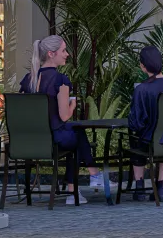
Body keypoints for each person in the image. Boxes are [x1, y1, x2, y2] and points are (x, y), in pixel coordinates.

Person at [18, 35, 105, 204]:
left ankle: (88, 181)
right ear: (51, 54)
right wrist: (73, 104)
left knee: (75, 134)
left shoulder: (27, 80)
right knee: (77, 134)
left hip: (29, 140)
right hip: (54, 139)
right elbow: (64, 116)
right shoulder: (60, 80)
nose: (67, 55)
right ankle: (86, 182)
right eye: (64, 51)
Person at [126, 44, 163, 201]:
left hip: (150, 142)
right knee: (162, 136)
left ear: (143, 66)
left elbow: (136, 123)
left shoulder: (141, 89)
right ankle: (161, 187)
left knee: (136, 140)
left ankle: (139, 187)